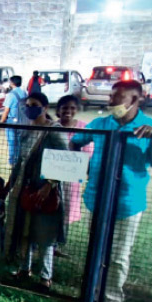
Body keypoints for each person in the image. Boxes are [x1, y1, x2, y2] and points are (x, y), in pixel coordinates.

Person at [70, 80, 152, 302]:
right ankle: (90, 295)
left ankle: (110, 301)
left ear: (135, 99)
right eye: (111, 96)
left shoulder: (150, 126)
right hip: (97, 199)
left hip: (128, 203)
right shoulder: (101, 123)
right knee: (96, 249)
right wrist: (79, 167)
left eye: (117, 97)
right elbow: (76, 141)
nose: (111, 101)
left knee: (119, 254)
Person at [4, 92, 67, 290]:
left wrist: (50, 184)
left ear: (45, 107)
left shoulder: (54, 131)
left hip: (47, 190)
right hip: (26, 188)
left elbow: (66, 160)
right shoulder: (26, 130)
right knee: (26, 230)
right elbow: (19, 163)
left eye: (35, 105)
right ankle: (24, 268)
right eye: (28, 105)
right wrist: (9, 187)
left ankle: (45, 277)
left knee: (45, 234)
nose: (30, 108)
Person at [56, 95, 90, 227]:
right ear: (58, 109)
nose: (68, 111)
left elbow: (88, 153)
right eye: (64, 108)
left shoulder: (83, 128)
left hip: (72, 179)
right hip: (52, 175)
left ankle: (60, 241)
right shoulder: (53, 126)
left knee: (67, 209)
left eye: (72, 108)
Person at [0, 75, 28, 166]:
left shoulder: (11, 95)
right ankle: (20, 160)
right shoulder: (24, 93)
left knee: (12, 142)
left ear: (12, 83)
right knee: (20, 142)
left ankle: (12, 161)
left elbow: (6, 109)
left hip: (12, 121)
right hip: (23, 121)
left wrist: (2, 121)